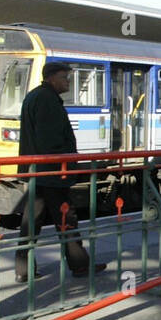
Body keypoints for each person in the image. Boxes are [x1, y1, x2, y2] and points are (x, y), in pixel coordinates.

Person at [16, 62, 107, 282]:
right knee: (66, 218)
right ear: (51, 78)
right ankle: (80, 266)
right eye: (65, 77)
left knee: (32, 222)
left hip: (37, 171)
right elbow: (51, 140)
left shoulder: (35, 96)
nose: (68, 82)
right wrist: (66, 162)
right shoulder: (47, 100)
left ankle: (23, 270)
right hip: (52, 171)